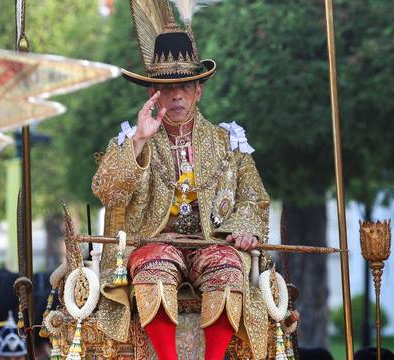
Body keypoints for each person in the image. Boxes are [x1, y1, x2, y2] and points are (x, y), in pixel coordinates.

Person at [91, 2, 270, 360]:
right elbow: (106, 190)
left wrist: (245, 228)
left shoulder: (227, 141)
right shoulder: (130, 139)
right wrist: (140, 141)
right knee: (155, 264)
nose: (176, 96)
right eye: (167, 87)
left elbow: (254, 198)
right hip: (152, 242)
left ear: (198, 90)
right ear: (152, 93)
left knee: (228, 266)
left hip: (210, 241)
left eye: (185, 86)